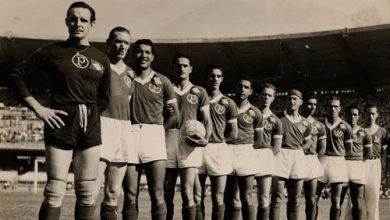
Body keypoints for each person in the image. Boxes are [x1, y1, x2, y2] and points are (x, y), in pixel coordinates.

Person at [9, 2, 111, 220]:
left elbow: (104, 97)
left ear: (92, 24)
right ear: (66, 21)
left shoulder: (101, 58)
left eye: (84, 20)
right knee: (55, 190)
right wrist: (39, 109)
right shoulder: (51, 51)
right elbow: (16, 76)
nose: (78, 24)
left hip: (90, 124)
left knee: (87, 192)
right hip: (61, 122)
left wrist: (89, 115)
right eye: (73, 19)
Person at [123, 39, 179, 220]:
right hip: (129, 133)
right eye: (139, 52)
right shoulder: (126, 78)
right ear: (134, 54)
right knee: (130, 194)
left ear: (152, 57)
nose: (143, 55)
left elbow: (175, 116)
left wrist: (159, 131)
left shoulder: (163, 81)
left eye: (147, 52)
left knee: (157, 194)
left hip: (153, 134)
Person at [164, 53, 212, 220]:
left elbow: (207, 120)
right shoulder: (166, 87)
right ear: (173, 68)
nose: (181, 68)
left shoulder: (199, 92)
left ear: (190, 69)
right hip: (168, 137)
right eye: (178, 65)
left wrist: (206, 140)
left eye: (185, 65)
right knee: (167, 190)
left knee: (187, 190)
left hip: (189, 142)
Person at [93, 26, 134, 220]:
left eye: (126, 42)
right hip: (102, 125)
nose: (122, 46)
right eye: (118, 41)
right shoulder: (98, 66)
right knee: (91, 188)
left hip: (124, 129)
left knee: (113, 192)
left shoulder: (131, 74)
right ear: (109, 43)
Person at [194, 63, 238, 220]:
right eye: (212, 76)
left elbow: (233, 133)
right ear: (206, 78)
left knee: (218, 197)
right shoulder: (197, 98)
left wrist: (219, 140)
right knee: (196, 196)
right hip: (198, 149)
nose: (215, 79)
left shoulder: (228, 103)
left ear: (222, 79)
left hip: (218, 149)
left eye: (218, 76)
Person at [223, 78, 262, 220]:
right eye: (240, 86)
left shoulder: (255, 112)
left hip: (245, 152)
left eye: (246, 87)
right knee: (227, 196)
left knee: (246, 196)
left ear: (250, 91)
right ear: (235, 88)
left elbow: (258, 139)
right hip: (227, 151)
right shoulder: (227, 106)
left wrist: (246, 149)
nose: (242, 89)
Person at [270, 89, 311, 220]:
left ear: (301, 102)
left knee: (295, 199)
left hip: (297, 157)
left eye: (295, 99)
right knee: (277, 198)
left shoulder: (305, 123)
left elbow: (308, 143)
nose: (292, 101)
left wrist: (298, 149)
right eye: (289, 99)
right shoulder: (278, 119)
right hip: (281, 155)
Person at [315, 96, 353, 220]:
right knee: (313, 196)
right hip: (322, 160)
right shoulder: (319, 124)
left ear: (340, 108)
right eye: (330, 106)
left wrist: (339, 154)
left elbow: (349, 149)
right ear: (326, 107)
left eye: (335, 106)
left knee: (336, 200)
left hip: (338, 160)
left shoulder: (346, 127)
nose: (333, 108)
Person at [253, 83, 283, 220]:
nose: (266, 97)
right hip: (246, 154)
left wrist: (264, 153)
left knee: (264, 197)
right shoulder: (250, 114)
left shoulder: (276, 121)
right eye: (264, 94)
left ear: (273, 98)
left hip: (265, 155)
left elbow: (276, 147)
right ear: (258, 95)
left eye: (269, 95)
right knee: (241, 196)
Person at [339, 104, 372, 220]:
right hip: (342, 165)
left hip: (357, 165)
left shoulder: (364, 133)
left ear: (358, 117)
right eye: (350, 114)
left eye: (355, 115)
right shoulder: (340, 130)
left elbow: (368, 153)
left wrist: (358, 161)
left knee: (357, 203)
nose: (352, 117)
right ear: (345, 115)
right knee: (338, 201)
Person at [301, 94, 326, 220]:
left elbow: (322, 148)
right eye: (310, 103)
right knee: (293, 198)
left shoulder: (319, 125)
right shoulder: (296, 120)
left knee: (311, 198)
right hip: (296, 158)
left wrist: (314, 156)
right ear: (302, 103)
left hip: (311, 159)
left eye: (315, 104)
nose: (312, 107)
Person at [363, 103, 387, 220]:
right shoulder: (359, 130)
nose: (370, 116)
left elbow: (384, 153)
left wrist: (382, 168)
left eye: (373, 113)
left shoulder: (382, 131)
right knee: (357, 197)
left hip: (375, 163)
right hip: (361, 163)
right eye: (368, 113)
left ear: (377, 115)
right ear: (364, 114)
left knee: (373, 197)